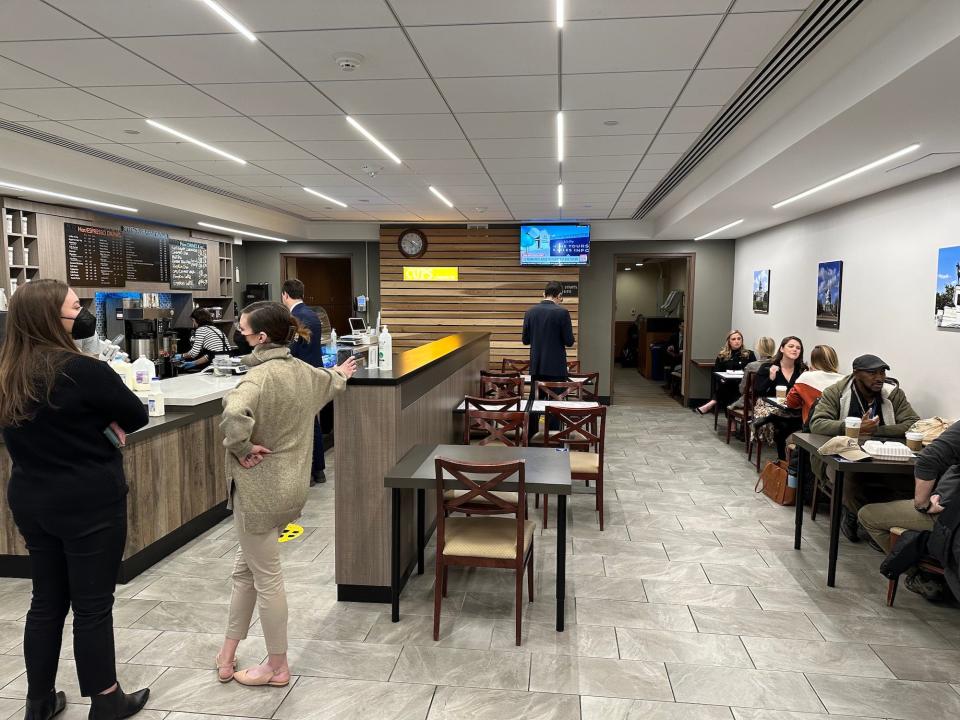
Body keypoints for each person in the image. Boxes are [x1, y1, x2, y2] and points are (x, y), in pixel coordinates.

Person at [0, 280, 150, 720]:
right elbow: (135, 415)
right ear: (53, 318)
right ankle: (106, 700)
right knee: (92, 604)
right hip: (89, 501)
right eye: (74, 307)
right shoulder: (82, 369)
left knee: (45, 600)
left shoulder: (6, 371)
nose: (81, 312)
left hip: (31, 498)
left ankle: (39, 702)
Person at [216, 302, 356, 688]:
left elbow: (233, 416)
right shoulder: (303, 373)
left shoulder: (257, 379)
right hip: (290, 490)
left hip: (259, 491)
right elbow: (330, 382)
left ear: (261, 338)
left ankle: (277, 666)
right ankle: (227, 655)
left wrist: (242, 450)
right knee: (246, 572)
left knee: (267, 579)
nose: (239, 336)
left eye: (242, 331)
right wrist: (342, 372)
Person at [809, 354, 920, 542]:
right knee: (849, 478)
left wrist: (877, 430)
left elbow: (913, 423)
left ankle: (889, 525)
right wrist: (851, 427)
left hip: (883, 457)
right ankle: (857, 516)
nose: (879, 378)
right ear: (856, 374)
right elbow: (818, 423)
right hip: (843, 456)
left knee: (910, 479)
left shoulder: (893, 394)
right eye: (872, 373)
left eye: (882, 372)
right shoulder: (836, 392)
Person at [860, 421, 957, 599]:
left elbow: (927, 458)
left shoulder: (894, 398)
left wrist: (923, 504)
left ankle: (919, 573)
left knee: (867, 515)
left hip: (949, 516)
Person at [280, 279, 327, 484]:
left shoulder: (294, 317)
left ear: (285, 295)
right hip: (314, 372)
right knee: (311, 421)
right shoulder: (313, 315)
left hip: (298, 375)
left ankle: (307, 471)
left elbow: (292, 348)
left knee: (301, 425)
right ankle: (318, 469)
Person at [522, 281, 574, 385]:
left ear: (543, 294)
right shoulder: (562, 313)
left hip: (536, 368)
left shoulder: (530, 312)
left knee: (537, 400)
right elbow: (569, 342)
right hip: (556, 369)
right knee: (556, 400)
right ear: (559, 295)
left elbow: (525, 340)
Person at [695, 329, 755, 415]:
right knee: (728, 387)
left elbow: (753, 372)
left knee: (729, 389)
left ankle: (712, 403)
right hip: (727, 383)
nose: (737, 341)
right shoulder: (722, 355)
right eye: (733, 339)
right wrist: (721, 380)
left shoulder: (749, 354)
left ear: (742, 340)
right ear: (729, 342)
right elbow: (716, 372)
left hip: (743, 385)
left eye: (739, 338)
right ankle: (732, 422)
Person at [784, 344, 843, 424]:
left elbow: (791, 403)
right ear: (834, 360)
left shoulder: (806, 377)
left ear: (813, 361)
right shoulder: (845, 380)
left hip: (813, 428)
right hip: (839, 427)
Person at [175, 308, 230, 373]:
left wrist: (181, 356)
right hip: (227, 361)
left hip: (217, 363)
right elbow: (212, 355)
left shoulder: (201, 329)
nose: (193, 324)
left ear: (198, 320)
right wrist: (193, 363)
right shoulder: (216, 329)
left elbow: (194, 353)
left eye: (193, 320)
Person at [731, 336, 775, 410]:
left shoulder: (751, 366)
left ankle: (734, 420)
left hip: (753, 402)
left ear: (759, 349)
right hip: (773, 401)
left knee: (732, 407)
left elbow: (742, 389)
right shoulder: (778, 365)